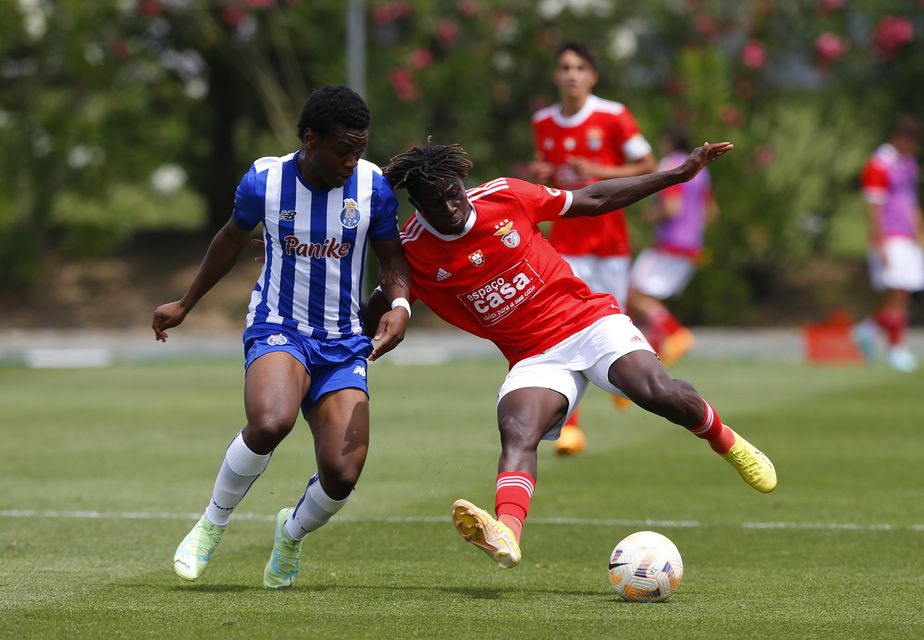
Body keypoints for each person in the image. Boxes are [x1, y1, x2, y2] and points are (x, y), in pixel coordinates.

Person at [375, 141, 776, 570]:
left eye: (453, 192)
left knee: (657, 392)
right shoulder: (411, 249)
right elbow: (383, 300)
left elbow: (594, 198)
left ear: (461, 183)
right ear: (415, 204)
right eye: (435, 202)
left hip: (588, 323)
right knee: (516, 429)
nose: (450, 206)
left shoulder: (504, 195)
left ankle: (724, 440)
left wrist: (676, 175)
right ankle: (507, 531)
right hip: (534, 357)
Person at [152, 85, 411, 589]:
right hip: (279, 324)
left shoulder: (372, 187)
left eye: (359, 149)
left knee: (342, 473)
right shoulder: (264, 181)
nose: (351, 160)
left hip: (343, 340)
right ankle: (211, 524)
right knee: (271, 421)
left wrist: (399, 305)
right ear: (310, 139)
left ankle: (290, 534)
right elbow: (230, 239)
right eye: (343, 149)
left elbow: (392, 257)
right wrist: (185, 303)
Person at [530, 42, 658, 456]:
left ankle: (624, 377)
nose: (572, 74)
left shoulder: (614, 115)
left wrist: (601, 171)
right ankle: (571, 427)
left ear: (592, 76)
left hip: (609, 240)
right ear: (555, 74)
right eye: (565, 67)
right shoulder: (543, 122)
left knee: (614, 321)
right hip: (566, 240)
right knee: (569, 328)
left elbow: (648, 167)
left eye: (580, 67)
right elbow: (545, 172)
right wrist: (541, 174)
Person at [627, 125, 718, 367]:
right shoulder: (701, 170)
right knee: (651, 296)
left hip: (670, 243)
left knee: (631, 291)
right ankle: (656, 350)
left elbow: (671, 207)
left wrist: (651, 215)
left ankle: (675, 333)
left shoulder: (670, 164)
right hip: (692, 245)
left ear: (667, 141)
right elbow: (711, 212)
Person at [853, 116, 924, 372]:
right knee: (897, 294)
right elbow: (873, 207)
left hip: (907, 236)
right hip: (889, 236)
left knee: (905, 294)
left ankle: (868, 331)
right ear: (900, 138)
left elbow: (911, 203)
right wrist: (880, 242)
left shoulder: (908, 164)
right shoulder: (879, 165)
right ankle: (896, 349)